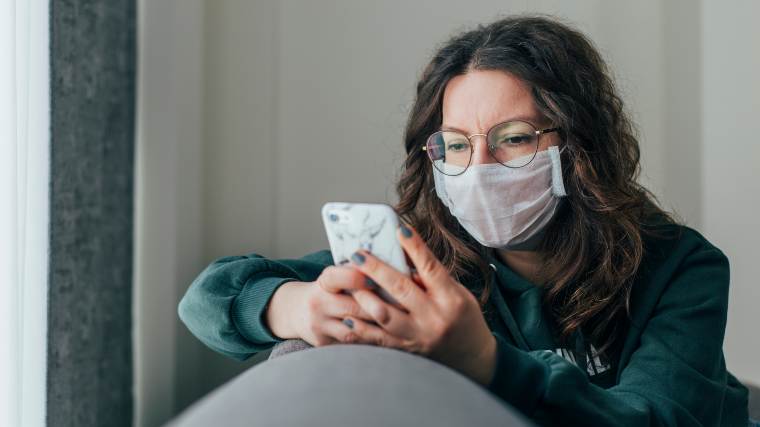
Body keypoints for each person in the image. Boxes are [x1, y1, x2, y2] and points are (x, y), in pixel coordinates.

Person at [178, 15, 753, 426]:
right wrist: (297, 306)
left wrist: (483, 360)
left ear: (579, 147)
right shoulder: (427, 254)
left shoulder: (680, 266)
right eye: (454, 146)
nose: (478, 168)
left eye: (514, 139)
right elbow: (205, 300)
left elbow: (655, 418)